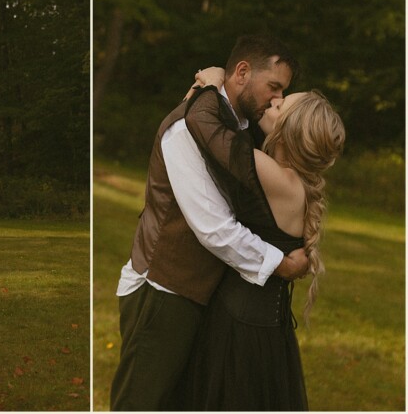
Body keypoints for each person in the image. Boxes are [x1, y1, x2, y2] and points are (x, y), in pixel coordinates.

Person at [109, 35, 312, 411]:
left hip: (202, 296)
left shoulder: (236, 125)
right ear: (242, 72)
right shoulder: (187, 127)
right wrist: (281, 263)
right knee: (142, 404)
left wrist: (216, 82)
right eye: (274, 87)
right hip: (163, 289)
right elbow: (214, 228)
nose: (276, 99)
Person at [180, 67, 345, 410]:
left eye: (282, 105)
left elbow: (207, 130)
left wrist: (212, 86)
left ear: (289, 132)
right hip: (263, 327)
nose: (275, 99)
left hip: (240, 331)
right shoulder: (289, 180)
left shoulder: (279, 178)